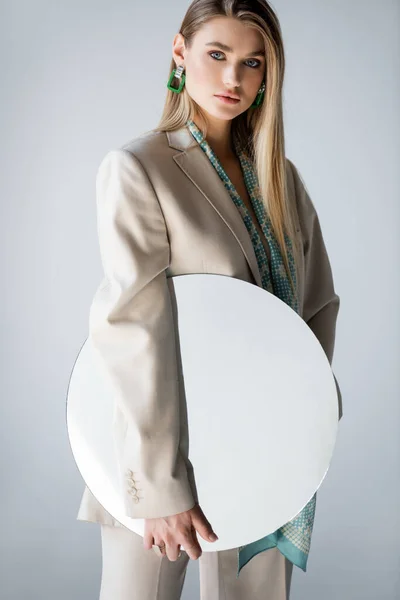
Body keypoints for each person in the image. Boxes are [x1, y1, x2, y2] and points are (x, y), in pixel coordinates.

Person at [76, 0, 343, 598]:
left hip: (262, 450)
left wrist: (297, 422)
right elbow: (132, 326)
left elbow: (317, 306)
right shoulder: (140, 167)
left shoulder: (280, 178)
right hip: (160, 454)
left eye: (252, 63)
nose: (233, 79)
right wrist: (164, 485)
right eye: (216, 55)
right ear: (181, 54)